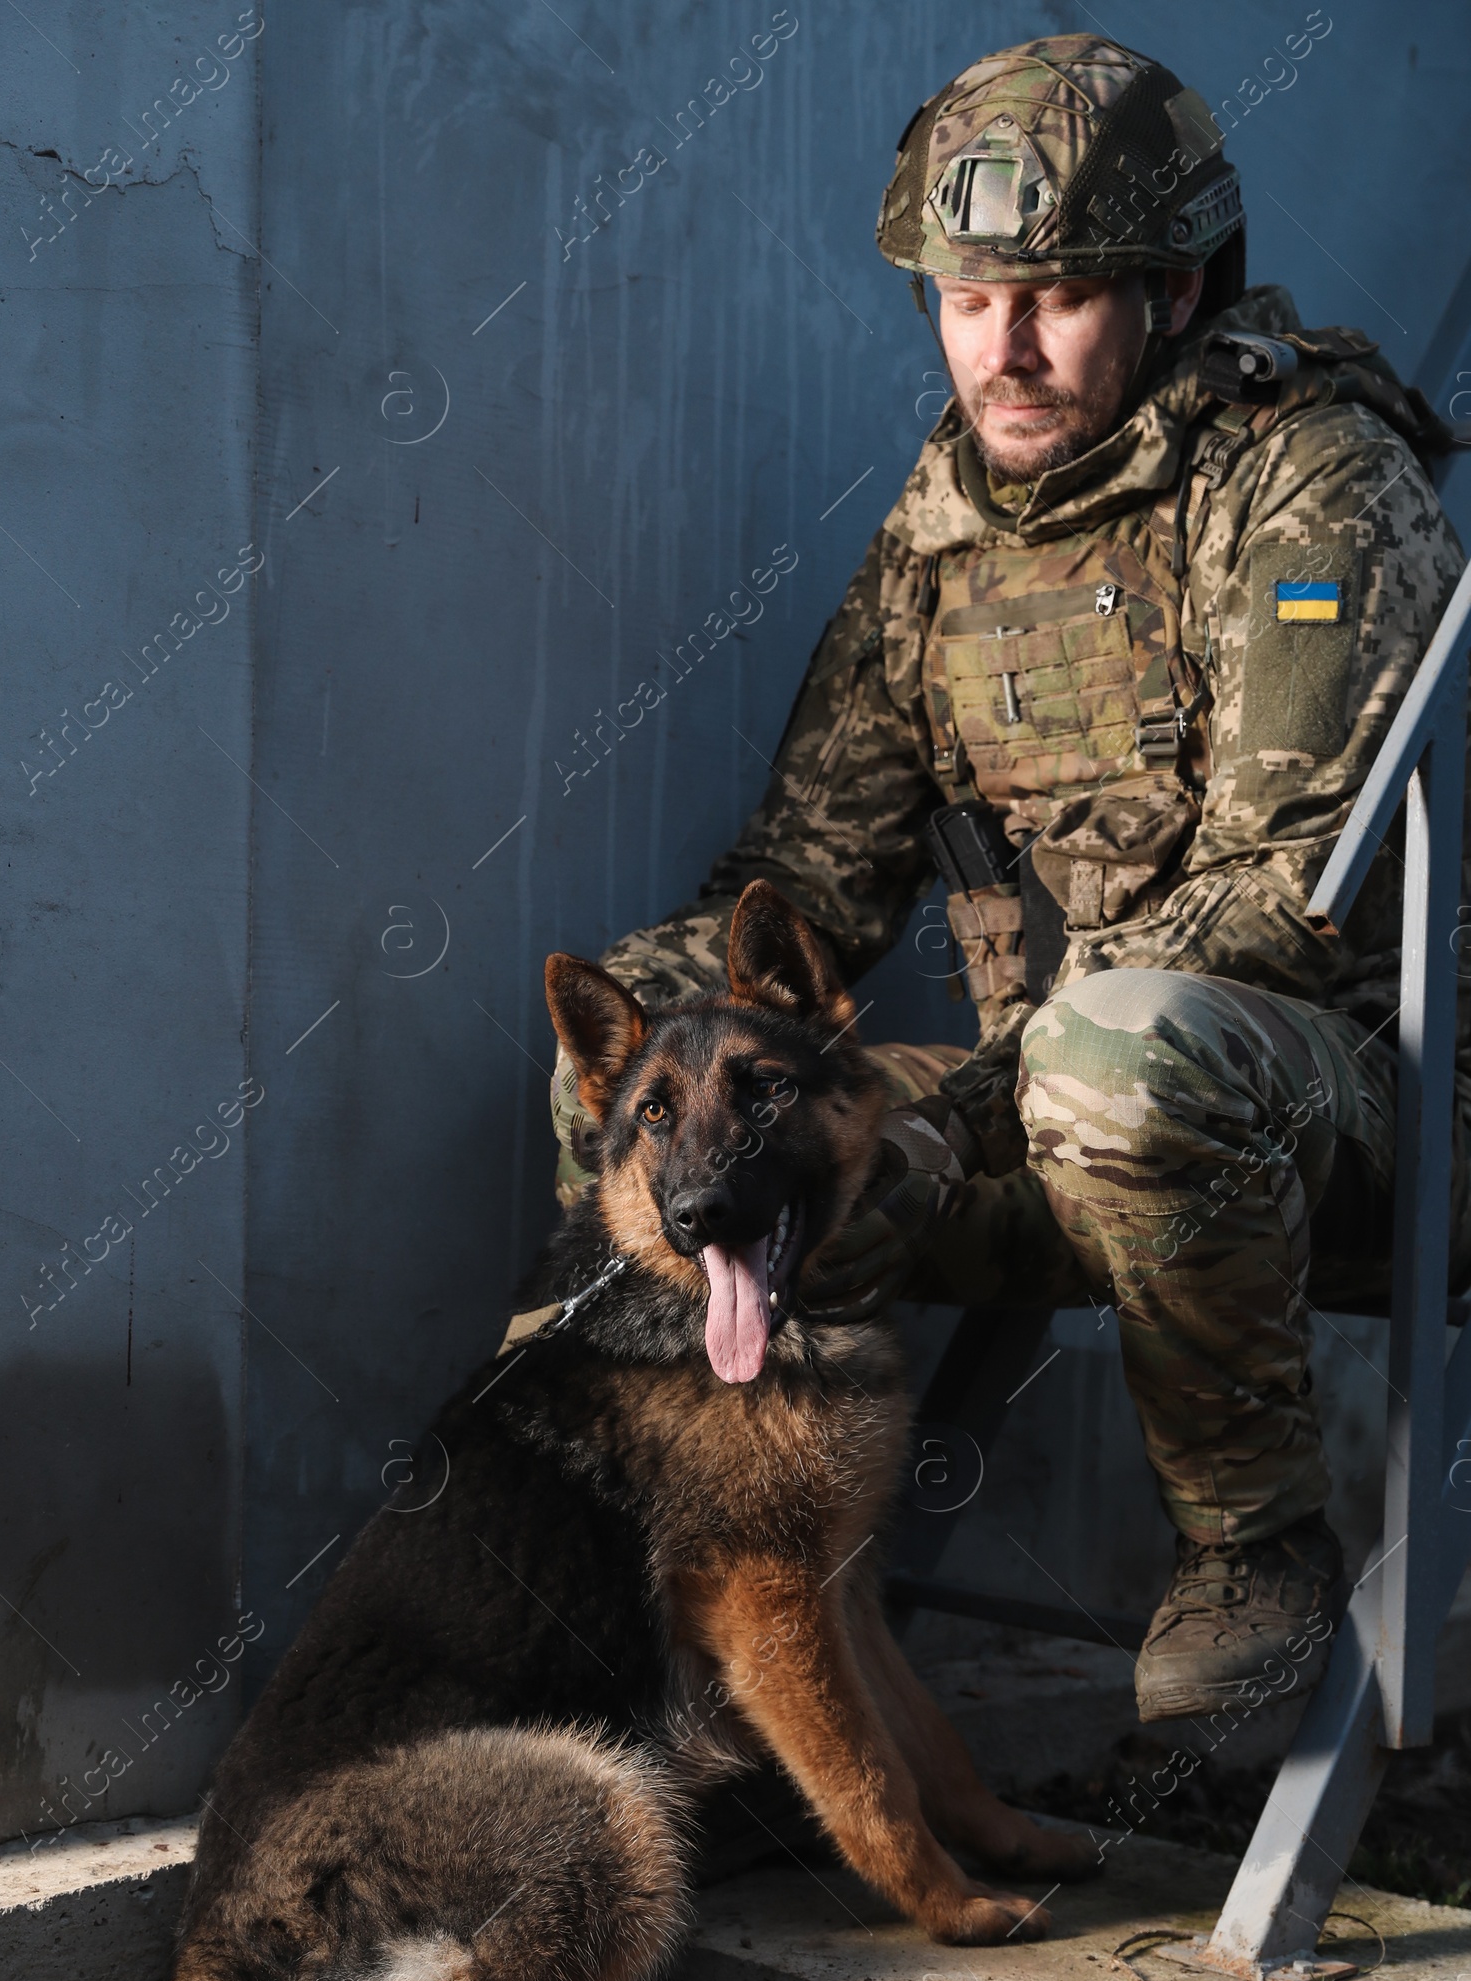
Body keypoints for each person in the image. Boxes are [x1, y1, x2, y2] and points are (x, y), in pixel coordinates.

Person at [551, 33, 1471, 1725]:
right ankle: (719, 1634)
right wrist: (630, 1038)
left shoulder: (1307, 479)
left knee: (1113, 1049)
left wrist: (988, 1086)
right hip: (1048, 1085)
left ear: (1175, 287)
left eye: (1056, 296)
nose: (1008, 347)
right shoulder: (946, 530)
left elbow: (1288, 903)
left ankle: (1258, 1544)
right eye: (971, 300)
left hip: (1346, 1115)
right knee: (662, 1098)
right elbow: (810, 885)